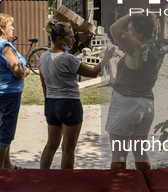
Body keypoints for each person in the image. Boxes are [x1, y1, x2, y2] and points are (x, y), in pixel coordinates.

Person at [39, 21, 114, 169]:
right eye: (71, 37)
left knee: (51, 145)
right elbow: (93, 73)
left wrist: (48, 102)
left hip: (51, 103)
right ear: (60, 39)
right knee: (68, 149)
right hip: (69, 104)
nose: (74, 40)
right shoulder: (68, 59)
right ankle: (66, 183)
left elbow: (43, 84)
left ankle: (41, 178)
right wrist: (106, 58)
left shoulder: (43, 57)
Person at [105, 14, 160, 172]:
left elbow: (114, 29)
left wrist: (131, 15)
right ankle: (147, 184)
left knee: (119, 154)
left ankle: (119, 189)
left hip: (126, 104)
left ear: (141, 32)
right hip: (146, 105)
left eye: (130, 30)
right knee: (140, 152)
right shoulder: (154, 50)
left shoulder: (137, 50)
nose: (127, 34)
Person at [0, 13, 31, 169]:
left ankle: (7, 163)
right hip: (9, 93)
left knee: (6, 127)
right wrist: (25, 72)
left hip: (0, 90)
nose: (13, 28)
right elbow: (18, 72)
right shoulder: (5, 46)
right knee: (6, 132)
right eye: (10, 25)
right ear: (1, 28)